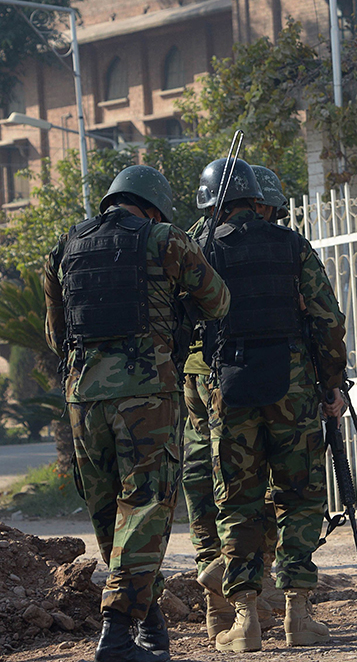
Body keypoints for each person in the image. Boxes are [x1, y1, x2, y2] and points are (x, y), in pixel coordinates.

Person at [43, 165, 230, 662]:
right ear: (152, 206)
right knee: (146, 505)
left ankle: (147, 622)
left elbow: (54, 334)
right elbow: (218, 301)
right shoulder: (164, 238)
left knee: (108, 510)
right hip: (146, 393)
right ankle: (118, 630)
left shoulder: (66, 245)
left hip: (83, 397)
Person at [198, 158, 349, 652]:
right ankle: (298, 617)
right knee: (299, 496)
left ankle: (245, 622)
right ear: (259, 200)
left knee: (237, 502)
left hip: (229, 385)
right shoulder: (292, 245)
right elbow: (328, 320)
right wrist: (332, 383)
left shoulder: (202, 249)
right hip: (294, 385)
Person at [181, 161, 282, 640]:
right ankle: (247, 584)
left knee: (204, 478)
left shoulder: (190, 241)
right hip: (244, 375)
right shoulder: (272, 246)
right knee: (253, 485)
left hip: (196, 377)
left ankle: (217, 603)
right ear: (257, 202)